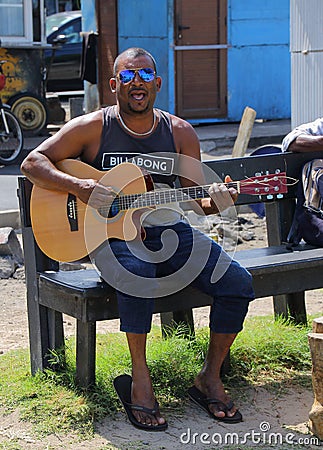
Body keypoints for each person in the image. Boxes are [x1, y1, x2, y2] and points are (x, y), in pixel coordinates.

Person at [21, 47, 255, 431]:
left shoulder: (178, 132)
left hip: (168, 231)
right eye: (127, 77)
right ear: (114, 85)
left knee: (237, 283)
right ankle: (140, 380)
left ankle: (209, 377)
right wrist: (80, 186)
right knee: (137, 272)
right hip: (109, 237)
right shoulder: (93, 127)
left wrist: (220, 200)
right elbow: (34, 163)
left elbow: (198, 201)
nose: (137, 83)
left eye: (145, 75)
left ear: (157, 83)